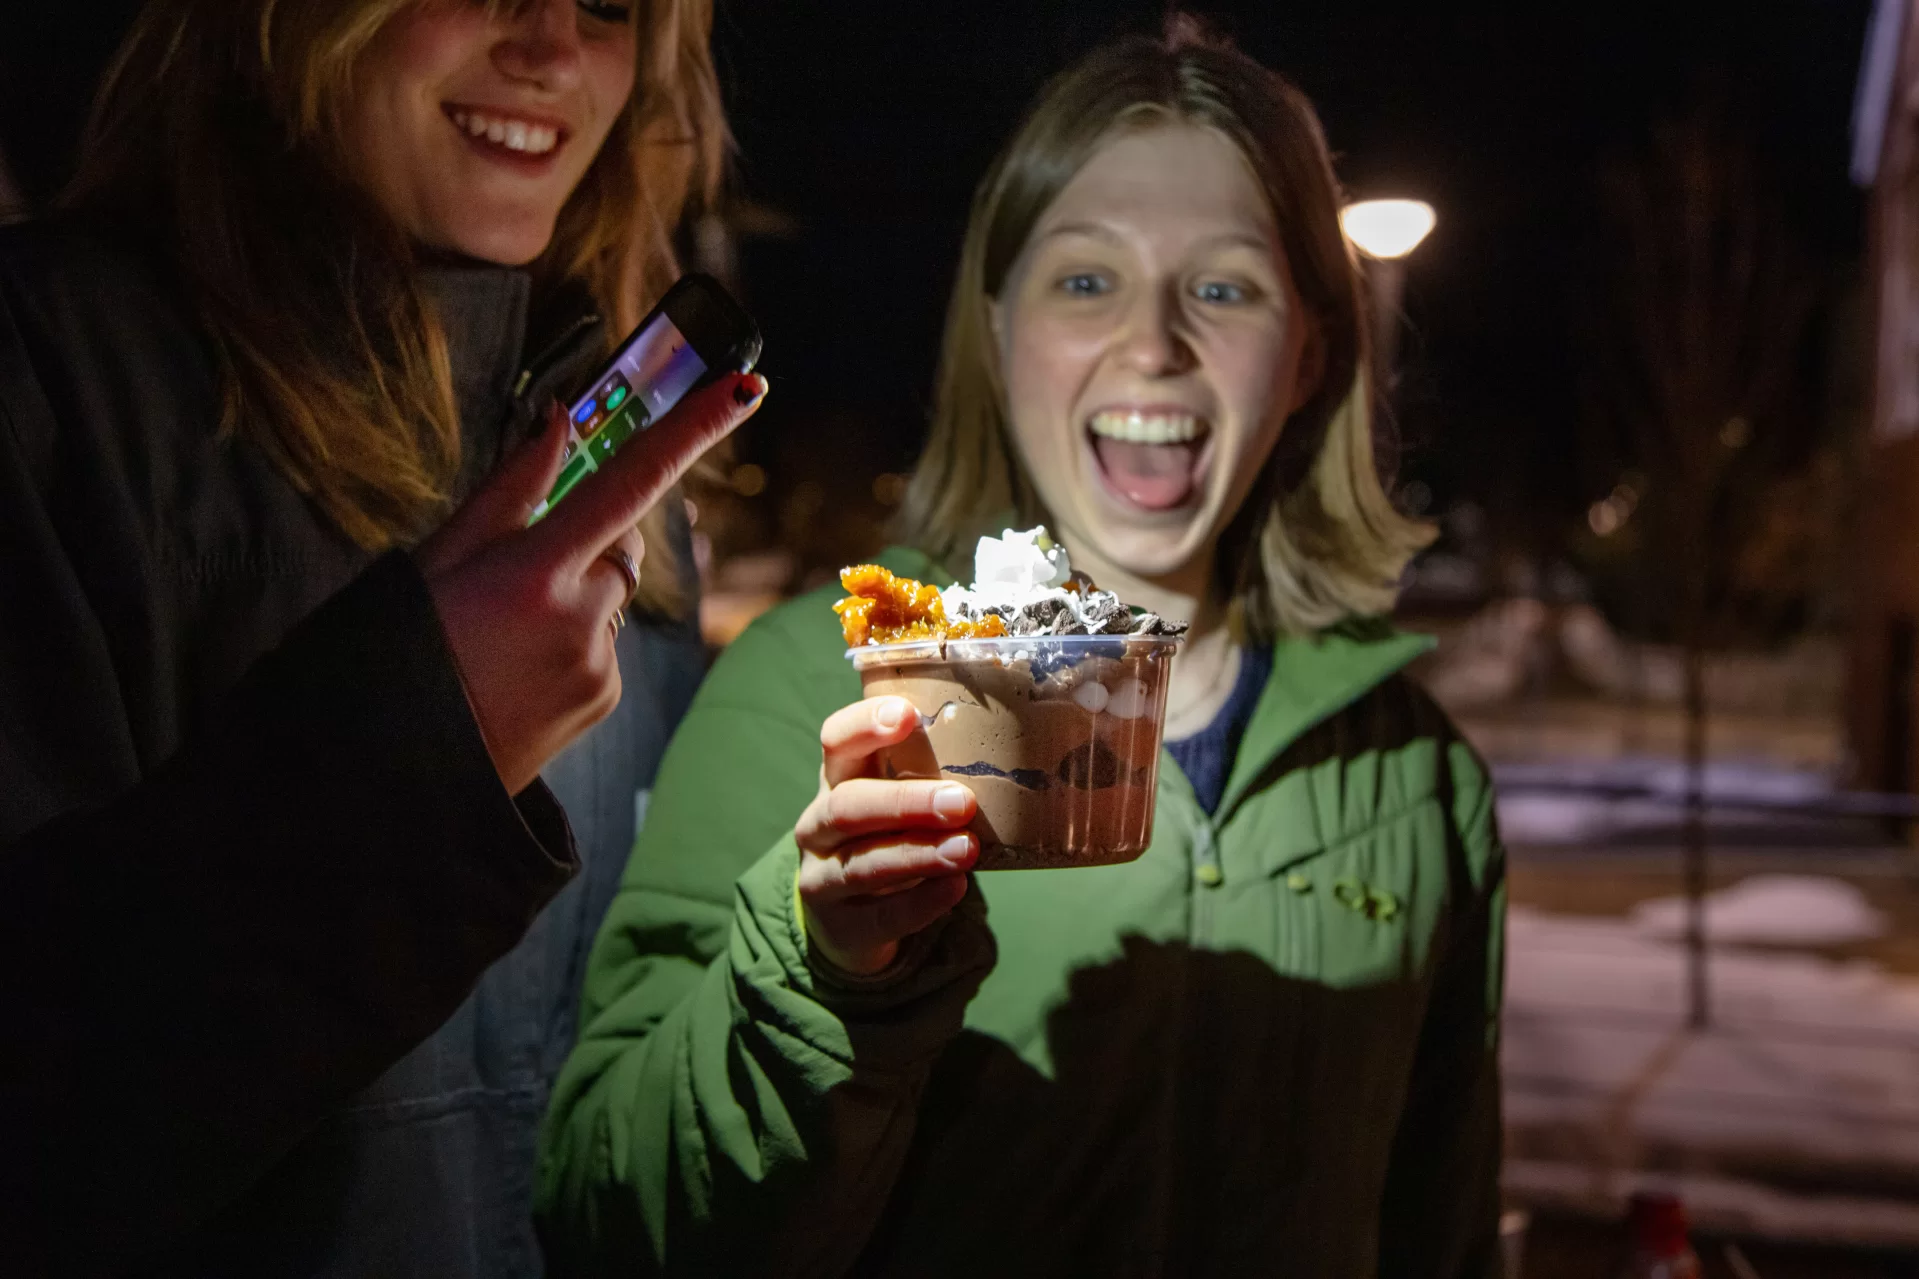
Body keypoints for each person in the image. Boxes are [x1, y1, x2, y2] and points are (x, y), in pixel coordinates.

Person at [538, 20, 1505, 1278]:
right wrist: (824, 976)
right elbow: (609, 1225)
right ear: (996, 332)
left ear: (1310, 350)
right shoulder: (813, 691)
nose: (1153, 343)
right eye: (1086, 278)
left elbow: (1443, 1236)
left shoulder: (1419, 784)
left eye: (1222, 286)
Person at [0, 0, 761, 1272]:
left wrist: (839, 978)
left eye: (611, 8)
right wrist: (428, 739)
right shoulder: (54, 385)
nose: (553, 47)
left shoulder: (618, 470)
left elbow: (593, 1114)